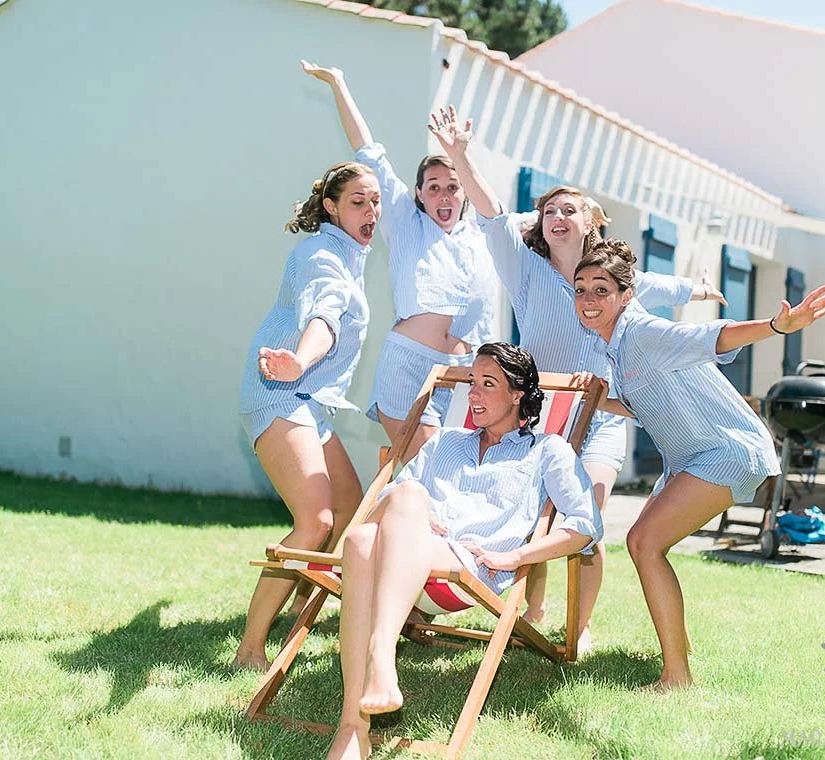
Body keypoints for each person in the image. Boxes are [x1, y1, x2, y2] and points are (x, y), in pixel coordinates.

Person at [428, 106, 726, 652]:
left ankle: (577, 627)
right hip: (542, 416)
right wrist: (461, 157)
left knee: (584, 520)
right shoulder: (524, 269)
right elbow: (494, 215)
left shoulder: (608, 279)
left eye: (569, 209)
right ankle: (529, 610)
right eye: (548, 211)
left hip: (603, 418)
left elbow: (658, 286)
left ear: (591, 222)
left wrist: (701, 291)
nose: (557, 217)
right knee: (530, 512)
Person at [572, 239, 825, 690]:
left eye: (601, 289)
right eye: (580, 289)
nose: (589, 299)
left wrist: (778, 325)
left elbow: (713, 336)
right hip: (694, 457)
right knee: (646, 544)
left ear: (625, 295)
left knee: (644, 543)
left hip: (726, 450)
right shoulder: (618, 347)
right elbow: (647, 407)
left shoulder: (641, 332)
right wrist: (602, 398)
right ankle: (679, 652)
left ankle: (676, 676)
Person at [325, 342, 602, 760]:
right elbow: (390, 501)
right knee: (369, 532)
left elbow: (586, 525)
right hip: (406, 558)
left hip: (468, 571)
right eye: (472, 383)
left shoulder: (547, 451)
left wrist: (516, 558)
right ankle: (353, 727)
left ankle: (380, 658)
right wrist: (413, 513)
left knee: (397, 509)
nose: (473, 394)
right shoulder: (445, 443)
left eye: (488, 384)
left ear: (518, 394)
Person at [302, 61, 500, 461]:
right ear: (419, 194)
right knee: (430, 467)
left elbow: (497, 210)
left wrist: (459, 155)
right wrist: (339, 82)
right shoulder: (406, 223)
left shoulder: (483, 233)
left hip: (466, 372)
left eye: (453, 187)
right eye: (434, 188)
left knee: (456, 475)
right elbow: (366, 149)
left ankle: (380, 514)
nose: (444, 196)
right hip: (409, 367)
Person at [231, 160, 379, 671]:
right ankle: (249, 649)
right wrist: (301, 358)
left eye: (375, 200)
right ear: (331, 207)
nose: (371, 210)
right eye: (358, 201)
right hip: (280, 390)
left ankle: (302, 607)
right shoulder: (321, 253)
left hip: (309, 399)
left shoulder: (350, 254)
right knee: (315, 521)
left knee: (351, 507)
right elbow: (325, 311)